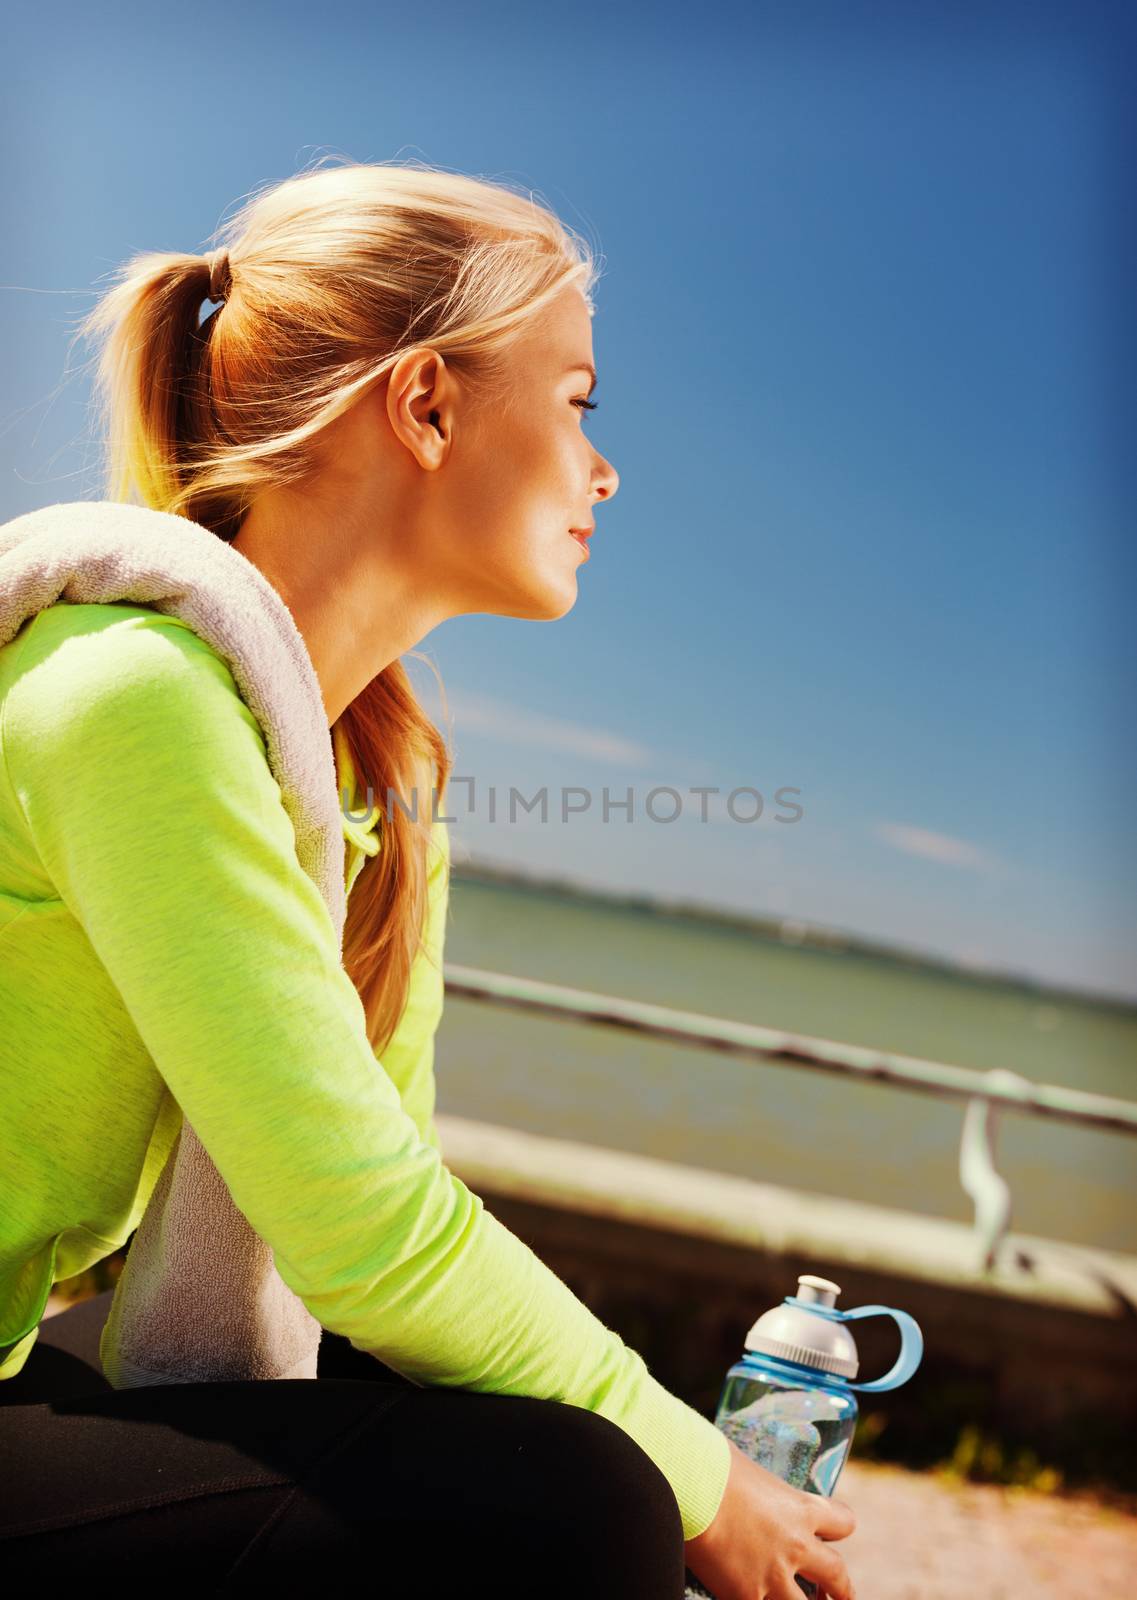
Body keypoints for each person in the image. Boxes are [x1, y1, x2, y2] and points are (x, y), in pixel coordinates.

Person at [0, 158, 857, 1599]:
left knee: (497, 1436)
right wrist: (698, 1475)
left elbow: (379, 1207)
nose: (605, 464)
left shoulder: (371, 791)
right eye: (575, 400)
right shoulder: (128, 695)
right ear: (428, 404)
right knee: (566, 1507)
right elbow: (365, 1234)